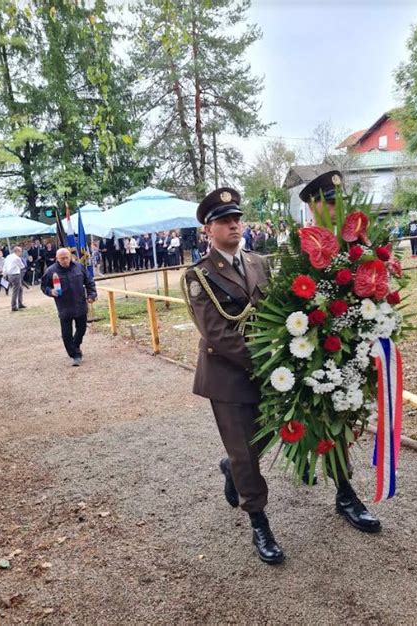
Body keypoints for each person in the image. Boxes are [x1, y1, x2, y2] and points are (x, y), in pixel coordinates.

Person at [181, 187, 284, 565]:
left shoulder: (260, 263)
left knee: (269, 434)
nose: (234, 225)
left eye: (237, 218)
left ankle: (231, 467)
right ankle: (259, 520)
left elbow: (276, 311)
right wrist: (264, 363)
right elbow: (217, 333)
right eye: (225, 221)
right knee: (246, 454)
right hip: (229, 375)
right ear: (208, 230)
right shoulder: (200, 276)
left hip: (269, 368)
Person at [299, 169, 383, 534]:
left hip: (354, 348)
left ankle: (343, 492)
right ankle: (238, 465)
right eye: (329, 203)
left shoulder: (357, 246)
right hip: (315, 351)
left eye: (339, 202)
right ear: (314, 206)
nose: (336, 210)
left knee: (341, 422)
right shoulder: (298, 249)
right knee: (315, 422)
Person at [41, 248, 97, 366]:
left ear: (70, 256)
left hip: (80, 304)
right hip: (64, 306)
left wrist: (92, 295)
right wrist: (50, 291)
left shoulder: (79, 267)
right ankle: (75, 355)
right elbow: (44, 286)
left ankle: (75, 345)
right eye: (62, 258)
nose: (65, 260)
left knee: (81, 329)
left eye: (67, 257)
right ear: (57, 259)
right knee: (66, 334)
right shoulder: (51, 271)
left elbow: (89, 282)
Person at [3, 246, 26, 311]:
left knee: (20, 289)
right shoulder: (17, 258)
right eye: (20, 251)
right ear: (17, 251)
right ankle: (13, 306)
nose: (21, 253)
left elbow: (5, 266)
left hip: (10, 275)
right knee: (15, 290)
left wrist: (4, 273)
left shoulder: (8, 256)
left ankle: (20, 303)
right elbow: (22, 266)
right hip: (15, 275)